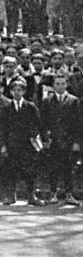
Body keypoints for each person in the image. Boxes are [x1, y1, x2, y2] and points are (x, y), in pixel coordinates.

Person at [40, 71, 82, 206]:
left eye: (63, 84)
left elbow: (77, 123)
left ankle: (69, 194)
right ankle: (53, 193)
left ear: (67, 85)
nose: (60, 86)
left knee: (68, 167)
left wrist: (76, 141)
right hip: (53, 140)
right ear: (53, 85)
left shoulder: (73, 101)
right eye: (57, 84)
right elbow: (43, 121)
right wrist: (45, 138)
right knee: (53, 167)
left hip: (68, 139)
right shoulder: (47, 101)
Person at [0, 77, 44, 206]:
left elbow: (38, 123)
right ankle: (11, 196)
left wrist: (37, 138)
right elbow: (2, 128)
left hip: (27, 144)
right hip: (12, 144)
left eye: (19, 90)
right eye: (14, 90)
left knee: (30, 170)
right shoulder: (6, 107)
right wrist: (3, 145)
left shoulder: (30, 106)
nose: (17, 93)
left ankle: (31, 196)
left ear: (24, 91)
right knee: (11, 170)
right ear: (11, 92)